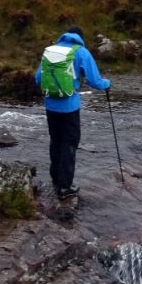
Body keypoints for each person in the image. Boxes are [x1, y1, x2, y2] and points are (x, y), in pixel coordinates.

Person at [34, 27, 110, 198]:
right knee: (69, 143)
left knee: (56, 140)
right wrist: (107, 84)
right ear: (80, 38)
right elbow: (95, 81)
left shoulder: (50, 51)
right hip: (69, 107)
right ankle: (65, 187)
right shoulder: (81, 52)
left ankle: (55, 178)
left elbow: (38, 78)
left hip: (50, 105)